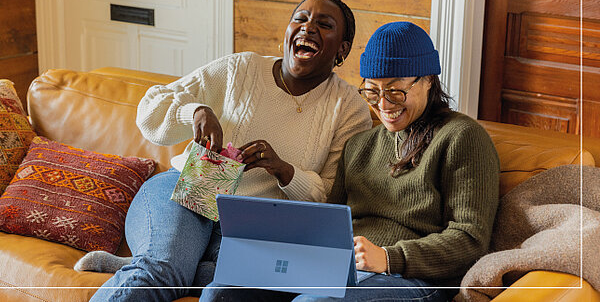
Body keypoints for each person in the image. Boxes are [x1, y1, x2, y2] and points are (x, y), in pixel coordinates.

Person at [76, 0, 373, 301]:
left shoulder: (349, 108)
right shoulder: (240, 69)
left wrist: (285, 171)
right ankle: (155, 263)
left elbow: (332, 196)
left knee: (223, 285)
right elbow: (150, 109)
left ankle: (149, 261)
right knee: (160, 273)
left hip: (255, 225)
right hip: (189, 188)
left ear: (342, 48)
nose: (308, 28)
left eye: (324, 25)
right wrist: (195, 112)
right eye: (300, 19)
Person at [201, 22, 500, 302]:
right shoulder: (359, 145)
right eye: (372, 91)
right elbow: (329, 221)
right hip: (341, 269)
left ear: (428, 81)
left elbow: (470, 238)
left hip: (412, 276)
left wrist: (389, 257)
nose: (383, 106)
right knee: (222, 291)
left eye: (395, 91)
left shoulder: (462, 137)